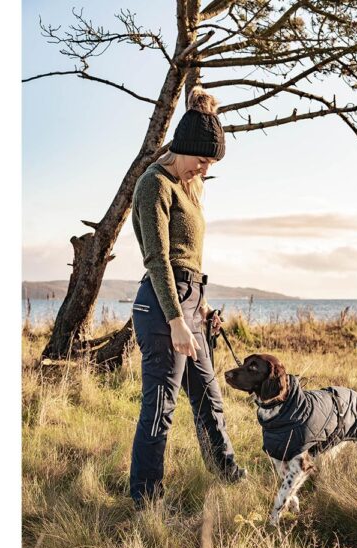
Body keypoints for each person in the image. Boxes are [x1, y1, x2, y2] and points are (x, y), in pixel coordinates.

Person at [129, 86, 246, 506]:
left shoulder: (189, 187)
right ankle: (146, 499)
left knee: (209, 400)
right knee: (160, 407)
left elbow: (189, 259)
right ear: (184, 147)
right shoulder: (154, 185)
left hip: (191, 300)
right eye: (202, 159)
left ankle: (228, 477)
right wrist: (177, 319)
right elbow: (158, 259)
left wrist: (202, 306)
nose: (203, 168)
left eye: (209, 163)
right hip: (164, 306)